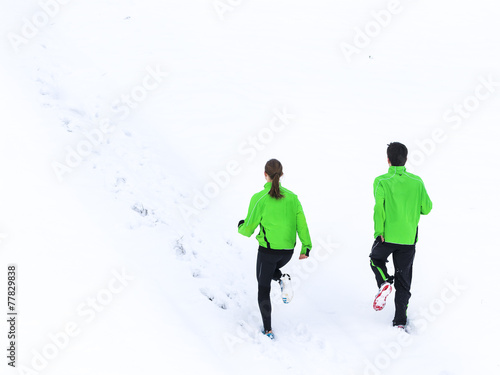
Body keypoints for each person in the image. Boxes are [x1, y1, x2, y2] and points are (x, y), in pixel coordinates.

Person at [238, 159, 312, 340]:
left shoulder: (260, 198)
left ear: (265, 175)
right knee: (266, 274)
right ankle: (281, 277)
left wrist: (240, 225)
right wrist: (306, 247)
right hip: (288, 252)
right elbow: (302, 224)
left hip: (268, 252)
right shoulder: (293, 198)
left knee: (262, 288)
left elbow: (248, 229)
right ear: (282, 174)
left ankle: (268, 330)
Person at [370, 142, 432, 330]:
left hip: (387, 236)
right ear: (406, 159)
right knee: (404, 279)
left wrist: (379, 231)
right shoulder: (417, 182)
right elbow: (427, 209)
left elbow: (378, 208)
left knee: (375, 259)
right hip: (408, 239)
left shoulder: (381, 181)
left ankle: (384, 283)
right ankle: (399, 321)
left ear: (388, 160)